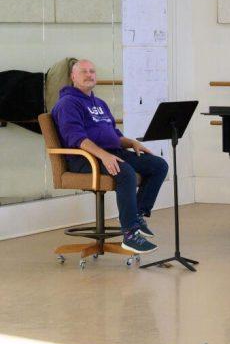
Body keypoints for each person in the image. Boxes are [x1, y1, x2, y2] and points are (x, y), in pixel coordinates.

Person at [50, 59, 166, 255]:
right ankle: (130, 234)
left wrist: (131, 143)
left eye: (92, 71)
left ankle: (137, 214)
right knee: (126, 173)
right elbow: (77, 139)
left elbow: (113, 134)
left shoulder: (99, 103)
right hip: (85, 158)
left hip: (112, 152)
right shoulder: (67, 104)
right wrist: (104, 156)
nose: (89, 75)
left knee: (158, 165)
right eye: (83, 72)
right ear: (73, 77)